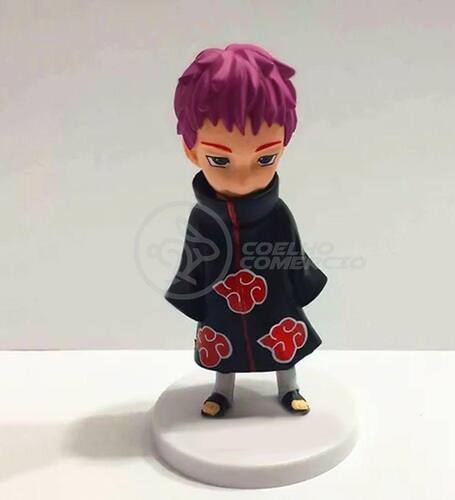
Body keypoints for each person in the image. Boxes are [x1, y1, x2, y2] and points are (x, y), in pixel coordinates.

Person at [166, 43, 327, 417]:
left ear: (283, 147)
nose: (243, 177)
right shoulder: (203, 219)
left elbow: (293, 256)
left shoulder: (278, 215)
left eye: (264, 158)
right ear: (191, 151)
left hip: (274, 298)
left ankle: (289, 386)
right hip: (221, 299)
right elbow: (193, 262)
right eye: (220, 159)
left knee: (283, 339)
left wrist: (302, 284)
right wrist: (191, 295)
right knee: (224, 343)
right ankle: (222, 391)